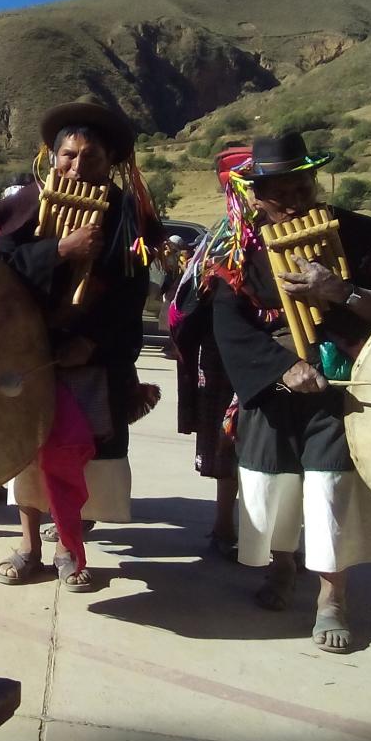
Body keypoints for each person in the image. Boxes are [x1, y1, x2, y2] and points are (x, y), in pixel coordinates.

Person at [210, 132, 371, 654]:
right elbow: (228, 325)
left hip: (340, 384)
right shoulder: (234, 249)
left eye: (302, 183)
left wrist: (335, 291)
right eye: (279, 190)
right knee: (275, 486)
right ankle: (282, 567)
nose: (294, 198)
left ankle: (332, 598)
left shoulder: (358, 235)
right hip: (275, 382)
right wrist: (282, 367)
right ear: (257, 196)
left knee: (330, 486)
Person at [0, 100, 163, 591]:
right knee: (28, 454)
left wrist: (92, 344)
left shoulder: (128, 216)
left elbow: (132, 297)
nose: (77, 167)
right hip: (29, 350)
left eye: (90, 159)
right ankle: (29, 545)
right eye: (68, 156)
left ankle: (70, 546)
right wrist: (59, 251)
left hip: (92, 357)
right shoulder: (27, 202)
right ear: (52, 156)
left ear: (110, 163)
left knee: (81, 456)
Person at [168, 148, 252, 559]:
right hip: (224, 354)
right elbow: (186, 302)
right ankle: (224, 524)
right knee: (228, 440)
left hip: (283, 347)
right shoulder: (220, 238)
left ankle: (277, 536)